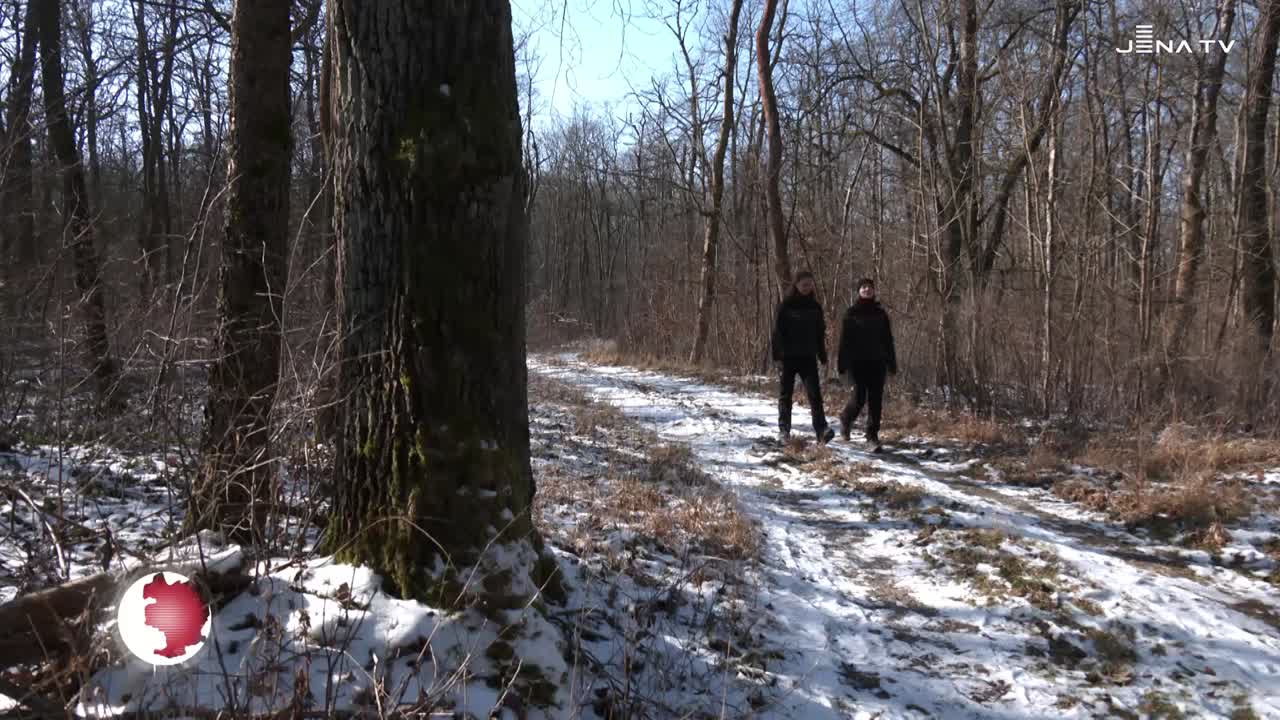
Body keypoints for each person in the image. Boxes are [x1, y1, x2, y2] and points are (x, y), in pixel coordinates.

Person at [772, 271, 835, 444]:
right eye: (804, 284)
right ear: (796, 285)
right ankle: (784, 431)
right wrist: (777, 356)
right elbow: (777, 333)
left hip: (808, 357)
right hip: (788, 358)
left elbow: (819, 333)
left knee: (815, 395)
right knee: (785, 395)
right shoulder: (785, 306)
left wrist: (822, 356)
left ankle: (822, 430)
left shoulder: (815, 307)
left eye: (810, 284)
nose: (807, 287)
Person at [837, 278, 898, 445]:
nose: (867, 289)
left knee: (876, 399)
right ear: (858, 291)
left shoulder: (881, 314)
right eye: (863, 287)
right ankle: (846, 418)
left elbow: (888, 340)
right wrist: (842, 363)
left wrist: (891, 362)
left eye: (870, 287)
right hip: (857, 362)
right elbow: (844, 340)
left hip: (878, 362)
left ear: (874, 291)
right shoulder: (851, 313)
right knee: (859, 398)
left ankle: (872, 435)